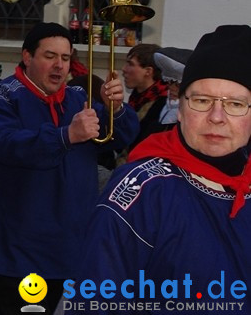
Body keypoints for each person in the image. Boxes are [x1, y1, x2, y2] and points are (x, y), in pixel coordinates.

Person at [73, 25, 251, 312]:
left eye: (235, 103)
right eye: (202, 100)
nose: (217, 117)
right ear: (179, 108)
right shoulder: (140, 192)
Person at [0, 22, 138, 313]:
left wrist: (115, 109)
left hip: (68, 251)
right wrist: (66, 135)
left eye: (66, 58)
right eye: (50, 56)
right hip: (12, 255)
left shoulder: (75, 98)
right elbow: (8, 145)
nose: (59, 66)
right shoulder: (1, 97)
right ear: (27, 57)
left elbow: (120, 136)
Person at [130, 46, 192, 148]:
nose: (172, 88)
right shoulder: (159, 104)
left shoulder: (192, 114)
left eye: (178, 84)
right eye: (170, 82)